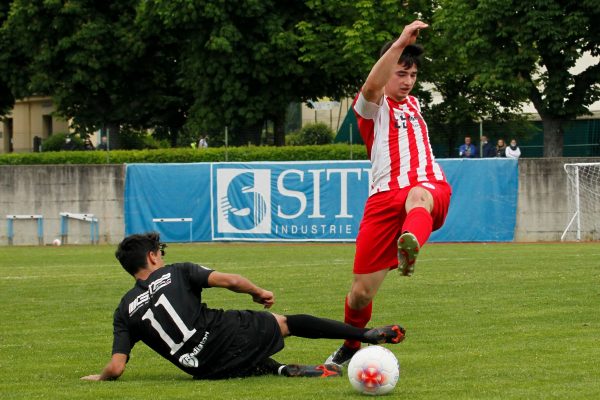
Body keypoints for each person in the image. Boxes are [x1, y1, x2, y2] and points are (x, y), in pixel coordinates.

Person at [81, 232, 405, 382]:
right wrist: (258, 292)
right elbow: (231, 280)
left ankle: (279, 369)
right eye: (159, 252)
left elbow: (117, 367)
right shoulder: (174, 271)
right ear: (153, 257)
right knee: (285, 323)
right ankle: (365, 334)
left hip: (202, 370)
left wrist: (98, 377)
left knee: (237, 351)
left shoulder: (124, 309)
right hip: (224, 336)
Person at [325, 20, 452, 367]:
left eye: (413, 75)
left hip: (425, 187)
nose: (408, 81)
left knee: (418, 196)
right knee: (360, 292)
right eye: (401, 73)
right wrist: (399, 42)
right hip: (382, 199)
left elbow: (419, 188)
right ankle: (351, 345)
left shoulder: (415, 106)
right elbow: (370, 87)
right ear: (387, 71)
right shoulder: (373, 108)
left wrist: (403, 54)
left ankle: (410, 241)